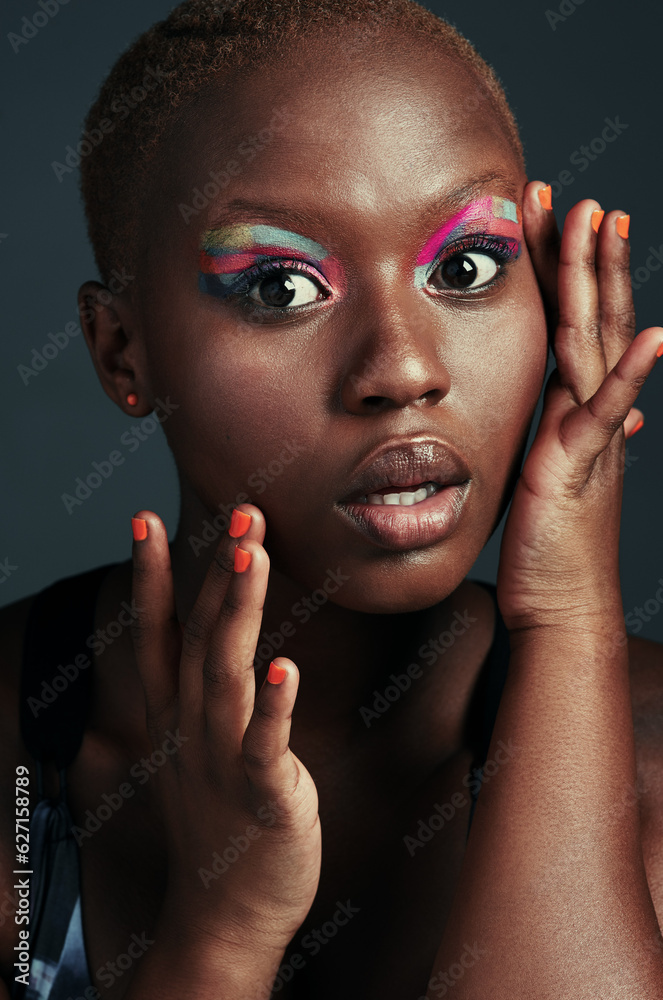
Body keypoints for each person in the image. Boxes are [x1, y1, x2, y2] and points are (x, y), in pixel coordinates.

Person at [1, 0, 662, 996]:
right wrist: (224, 927)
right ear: (119, 350)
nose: (400, 369)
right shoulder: (20, 742)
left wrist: (571, 615)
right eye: (279, 287)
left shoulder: (647, 747)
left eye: (467, 266)